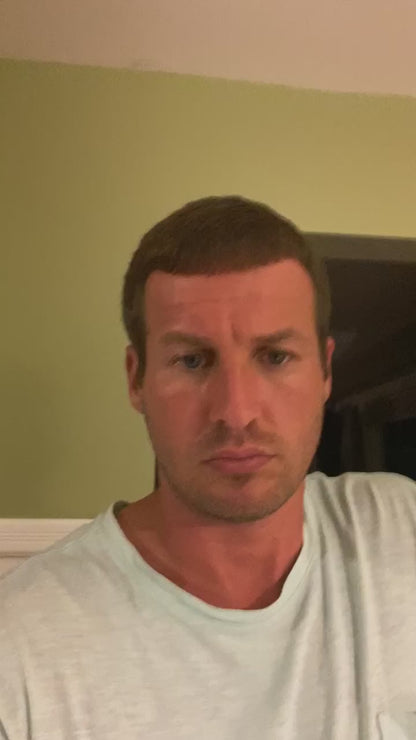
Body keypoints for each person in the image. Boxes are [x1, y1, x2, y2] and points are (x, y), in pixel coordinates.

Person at [1, 196, 416, 740]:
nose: (236, 413)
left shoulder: (401, 528)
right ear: (136, 379)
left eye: (275, 357)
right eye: (192, 360)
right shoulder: (20, 648)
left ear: (325, 371)